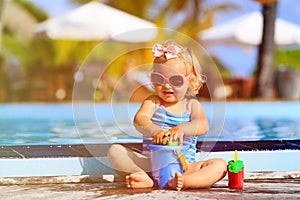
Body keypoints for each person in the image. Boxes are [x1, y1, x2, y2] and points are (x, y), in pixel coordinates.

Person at [107, 40, 227, 190]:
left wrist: (182, 129)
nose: (166, 85)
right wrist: (155, 130)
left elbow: (202, 125)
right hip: (152, 165)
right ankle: (142, 175)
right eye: (159, 79)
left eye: (175, 80)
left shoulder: (192, 106)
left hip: (185, 166)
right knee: (115, 151)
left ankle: (187, 181)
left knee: (219, 165)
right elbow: (140, 119)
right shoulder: (153, 102)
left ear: (191, 80)